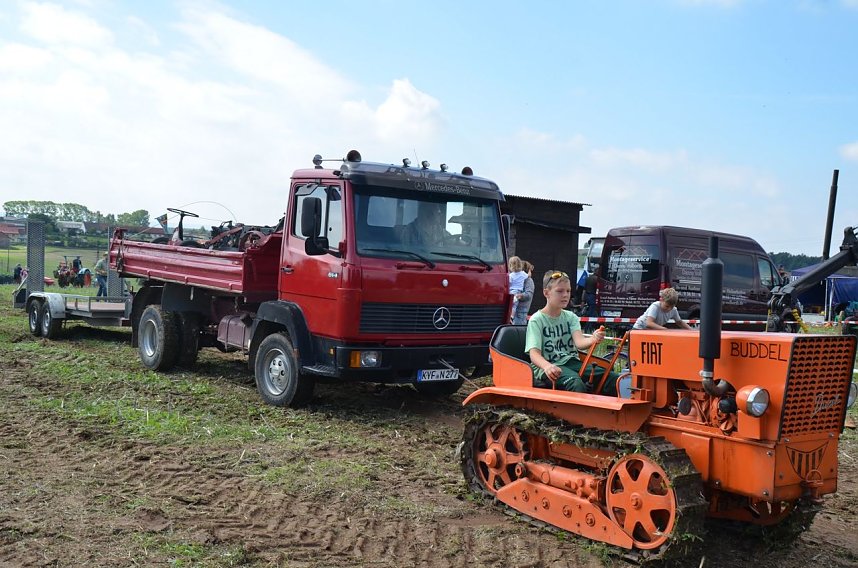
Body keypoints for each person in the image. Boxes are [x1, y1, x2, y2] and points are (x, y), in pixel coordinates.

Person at [525, 270, 618, 395]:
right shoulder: (537, 320)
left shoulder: (571, 317)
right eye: (560, 291)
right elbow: (534, 354)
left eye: (568, 291)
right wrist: (547, 366)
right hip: (548, 366)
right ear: (546, 293)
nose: (565, 295)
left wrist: (593, 338)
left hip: (571, 362)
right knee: (575, 383)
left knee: (612, 378)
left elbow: (580, 343)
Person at [508, 256, 527, 321]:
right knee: (514, 306)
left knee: (510, 305)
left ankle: (509, 316)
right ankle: (511, 317)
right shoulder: (523, 274)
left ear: (511, 265)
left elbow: (509, 283)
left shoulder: (510, 275)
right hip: (518, 292)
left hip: (511, 292)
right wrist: (530, 271)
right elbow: (528, 276)